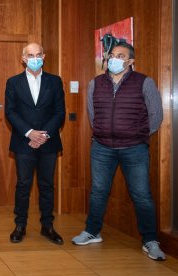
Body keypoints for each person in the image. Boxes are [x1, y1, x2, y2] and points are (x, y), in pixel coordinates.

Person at [71, 42, 166, 261]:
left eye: (120, 56)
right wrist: (103, 133)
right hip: (102, 147)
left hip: (135, 149)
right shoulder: (96, 83)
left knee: (142, 195)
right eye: (111, 55)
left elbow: (156, 116)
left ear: (130, 61)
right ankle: (92, 231)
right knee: (98, 191)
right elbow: (93, 115)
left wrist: (137, 134)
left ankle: (150, 240)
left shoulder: (144, 82)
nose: (113, 59)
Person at [5, 42, 66, 245]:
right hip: (24, 143)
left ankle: (47, 226)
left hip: (48, 142)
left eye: (38, 54)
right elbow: (10, 112)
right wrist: (30, 133)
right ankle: (20, 225)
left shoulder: (55, 81)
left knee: (47, 185)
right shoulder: (13, 82)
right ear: (23, 59)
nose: (35, 58)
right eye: (30, 55)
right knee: (23, 185)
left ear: (44, 56)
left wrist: (43, 135)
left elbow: (60, 112)